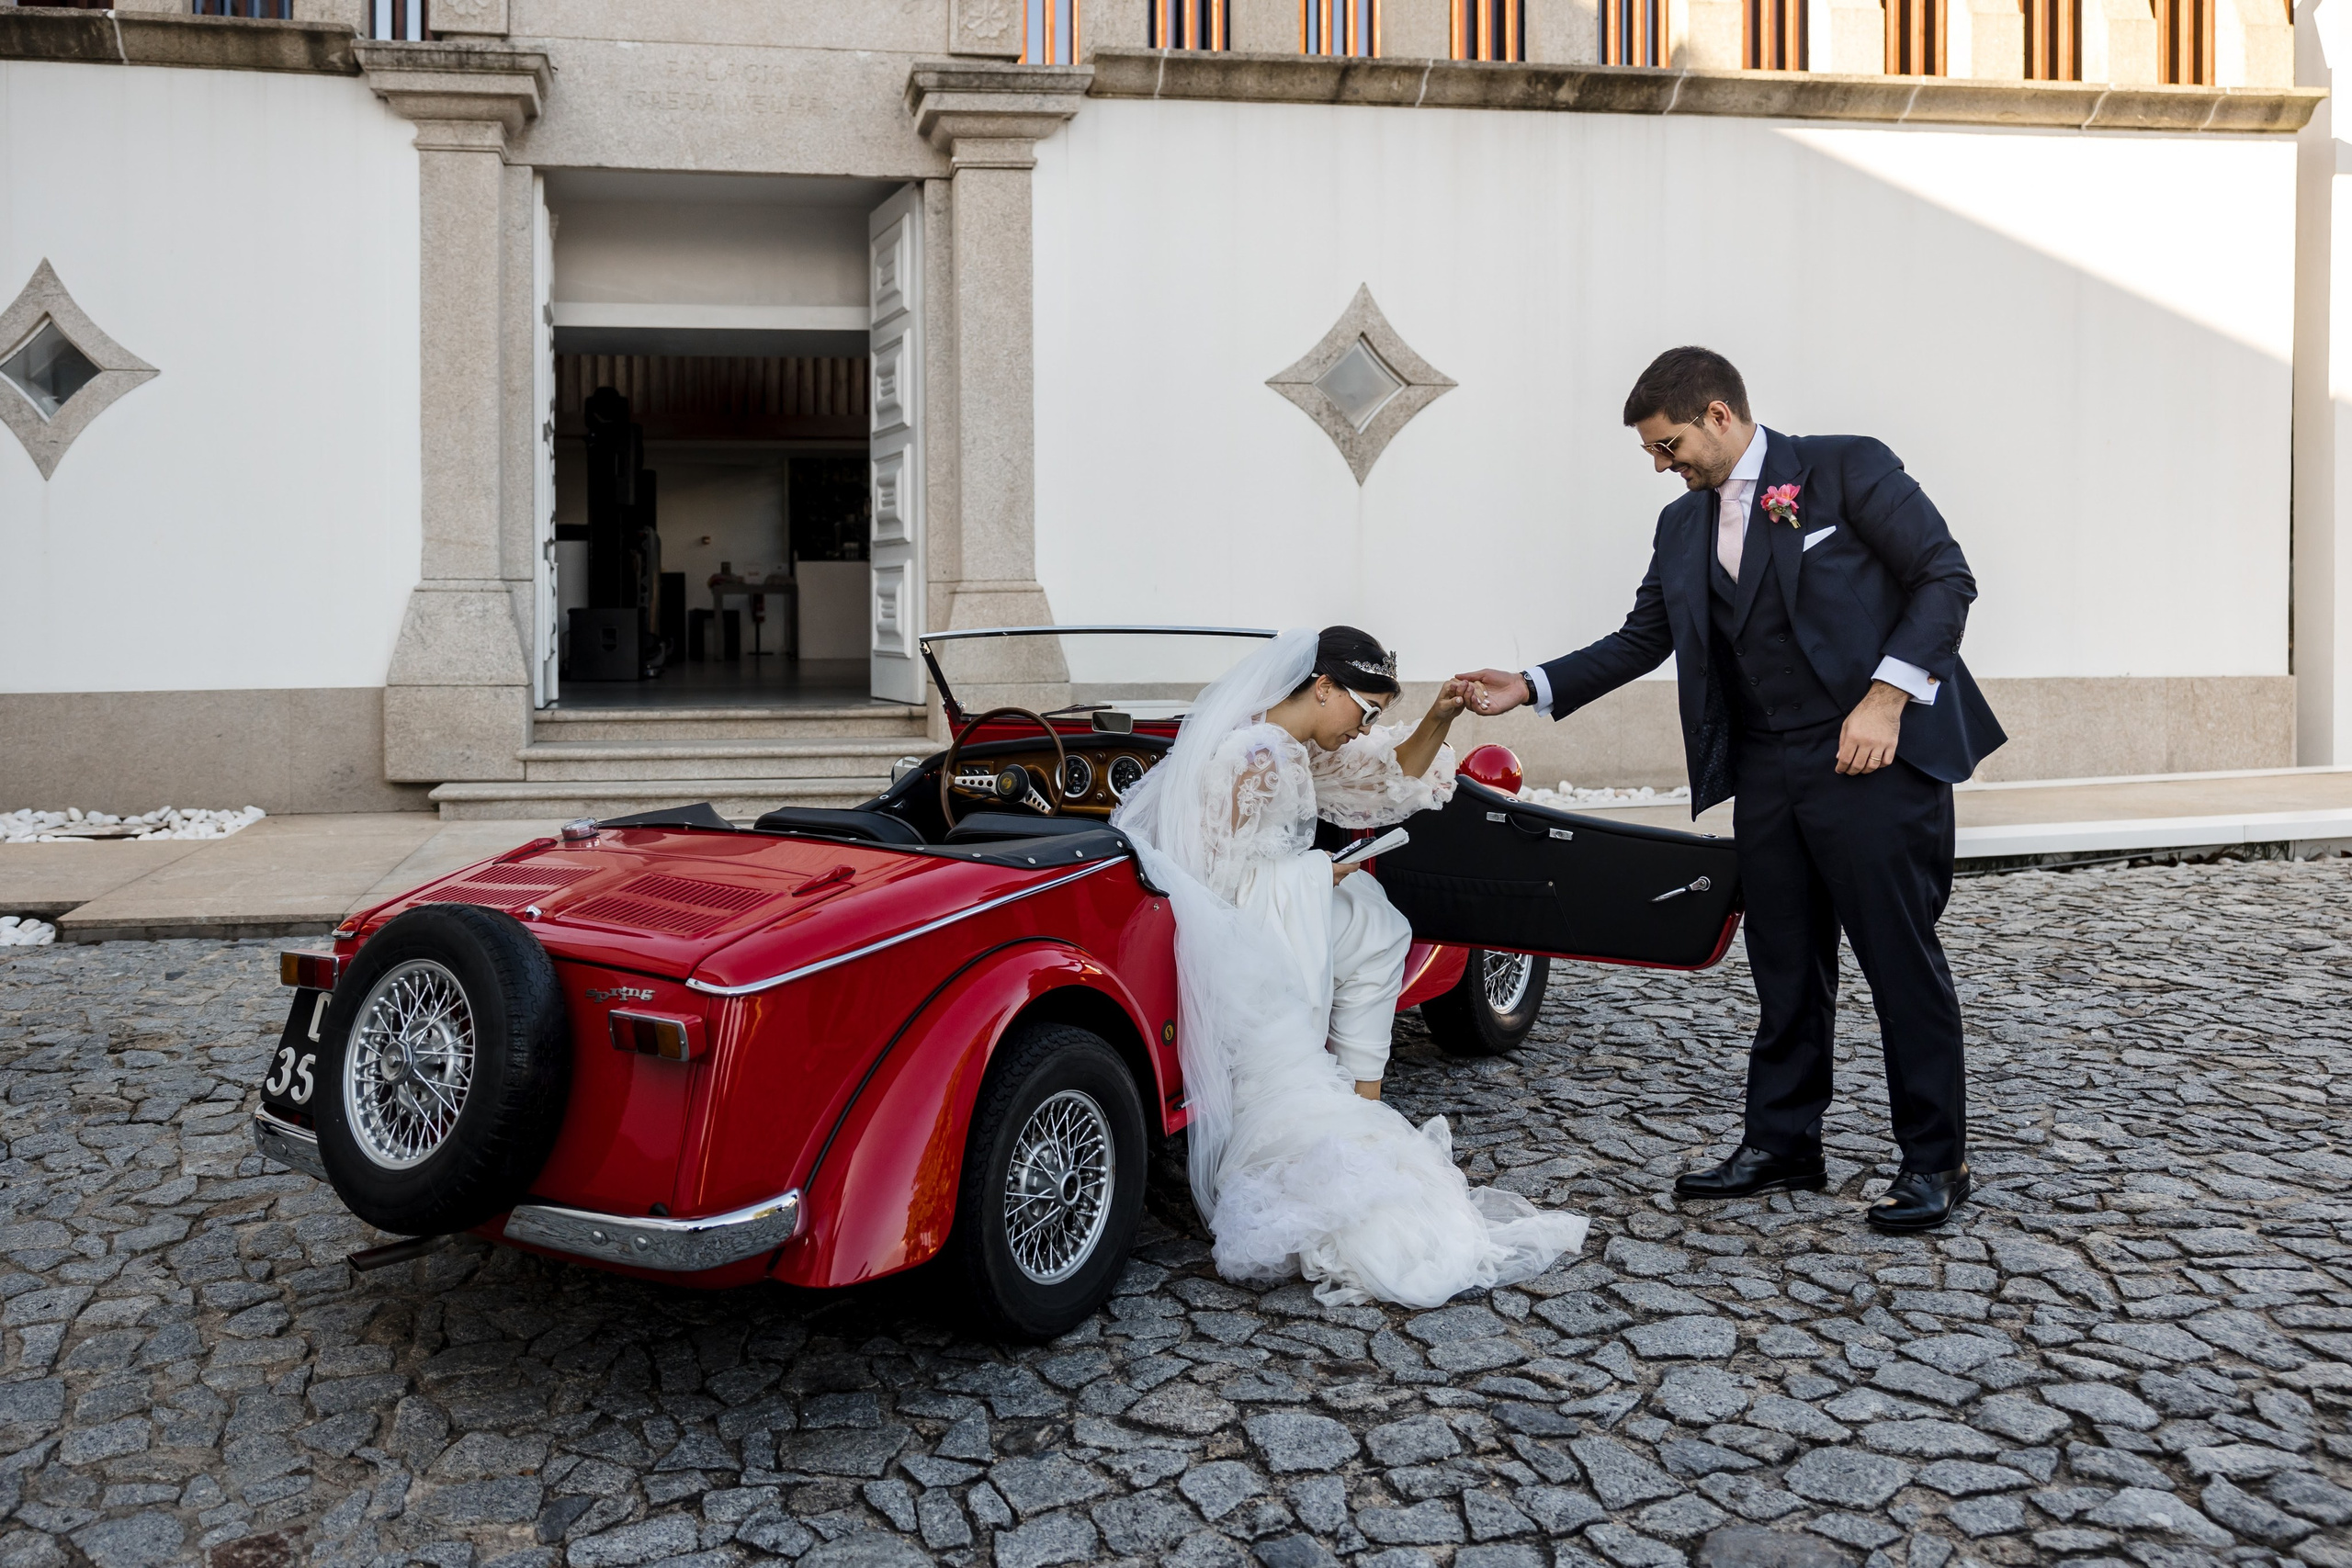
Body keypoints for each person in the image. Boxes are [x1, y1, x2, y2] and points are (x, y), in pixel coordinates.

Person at [1457, 347, 2006, 1232]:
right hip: (1765, 768)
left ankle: (1936, 1161)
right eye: (1652, 453)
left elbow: (1946, 577)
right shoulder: (1682, 528)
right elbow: (1644, 637)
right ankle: (1784, 1142)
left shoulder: (1844, 466)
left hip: (1872, 757)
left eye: (1669, 445)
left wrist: (1886, 698)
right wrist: (1527, 685)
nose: (1662, 466)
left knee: (1899, 960)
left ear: (1719, 414)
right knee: (1783, 961)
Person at [1113, 626, 1588, 1304]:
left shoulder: (1295, 744)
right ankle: (1352, 1119)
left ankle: (1362, 1104)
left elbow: (1384, 776)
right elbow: (1211, 875)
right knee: (1374, 924)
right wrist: (1313, 874)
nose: (1363, 727)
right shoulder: (1258, 754)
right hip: (1240, 929)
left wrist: (1440, 714)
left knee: (1379, 924)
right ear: (1323, 687)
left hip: (1279, 903)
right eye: (1363, 712)